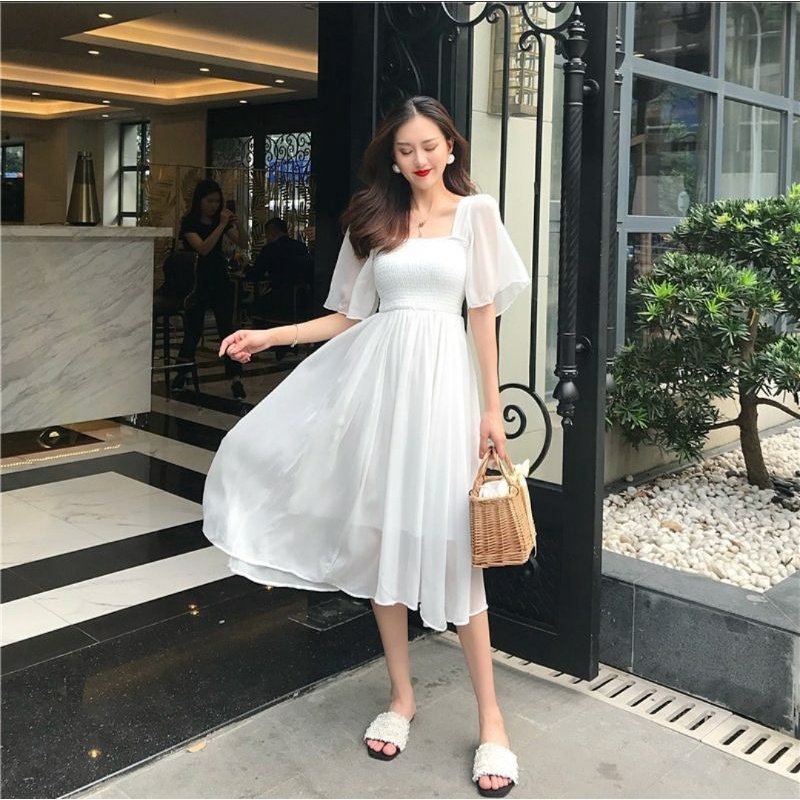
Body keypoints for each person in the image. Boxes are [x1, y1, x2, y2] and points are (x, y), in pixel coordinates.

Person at [203, 96, 531, 797]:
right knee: (383, 540)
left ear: (450, 147)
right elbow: (347, 317)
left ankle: (492, 720)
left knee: (456, 551)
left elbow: (481, 319)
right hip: (382, 392)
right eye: (406, 149)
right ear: (393, 157)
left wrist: (490, 409)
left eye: (430, 146)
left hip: (444, 392)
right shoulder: (374, 220)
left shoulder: (475, 214)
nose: (419, 159)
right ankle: (402, 697)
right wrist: (270, 336)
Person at [172, 179, 246, 399]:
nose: (213, 206)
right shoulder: (190, 224)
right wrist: (221, 226)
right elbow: (203, 248)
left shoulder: (220, 222)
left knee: (227, 329)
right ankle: (182, 372)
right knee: (193, 329)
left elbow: (242, 242)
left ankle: (236, 378)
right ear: (200, 201)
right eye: (209, 201)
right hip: (197, 280)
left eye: (217, 201)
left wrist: (237, 224)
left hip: (219, 277)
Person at [245, 217, 313, 359]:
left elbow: (255, 274)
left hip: (279, 300)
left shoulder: (271, 249)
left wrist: (246, 268)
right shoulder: (301, 246)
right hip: (303, 299)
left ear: (270, 233)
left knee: (252, 306)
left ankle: (266, 343)